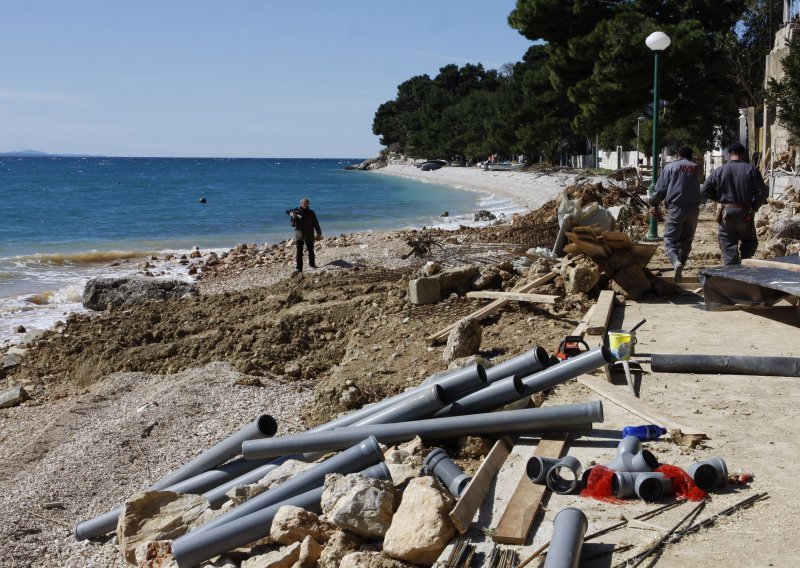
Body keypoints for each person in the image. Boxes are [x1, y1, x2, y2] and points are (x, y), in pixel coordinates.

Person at [700, 142, 767, 265]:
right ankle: (745, 265)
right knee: (749, 242)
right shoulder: (751, 170)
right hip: (745, 212)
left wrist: (719, 199)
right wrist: (754, 207)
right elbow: (762, 193)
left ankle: (731, 273)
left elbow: (704, 190)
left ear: (730, 154)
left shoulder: (719, 171)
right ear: (743, 155)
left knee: (727, 242)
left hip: (726, 213)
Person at [649, 146, 702, 281]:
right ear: (691, 156)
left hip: (676, 208)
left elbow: (661, 189)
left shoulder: (671, 167)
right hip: (694, 209)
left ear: (677, 155)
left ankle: (676, 262)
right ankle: (680, 268)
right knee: (686, 241)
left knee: (670, 240)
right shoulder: (697, 168)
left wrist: (654, 203)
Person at [291, 198, 322, 272]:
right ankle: (299, 268)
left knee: (311, 251)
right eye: (304, 203)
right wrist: (294, 221)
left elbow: (316, 223)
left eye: (307, 203)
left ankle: (312, 264)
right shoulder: (296, 212)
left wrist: (319, 233)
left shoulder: (311, 213)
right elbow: (293, 225)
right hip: (299, 235)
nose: (305, 204)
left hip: (309, 234)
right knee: (299, 253)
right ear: (301, 203)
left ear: (308, 204)